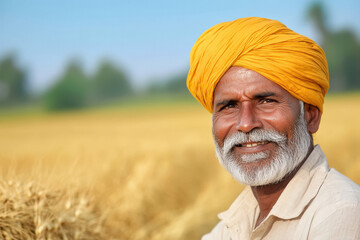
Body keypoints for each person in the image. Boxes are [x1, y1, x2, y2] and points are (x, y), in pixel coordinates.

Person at [186, 17, 360, 239]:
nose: (246, 123)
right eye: (229, 106)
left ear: (310, 115)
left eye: (266, 101)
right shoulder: (240, 217)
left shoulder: (340, 212)